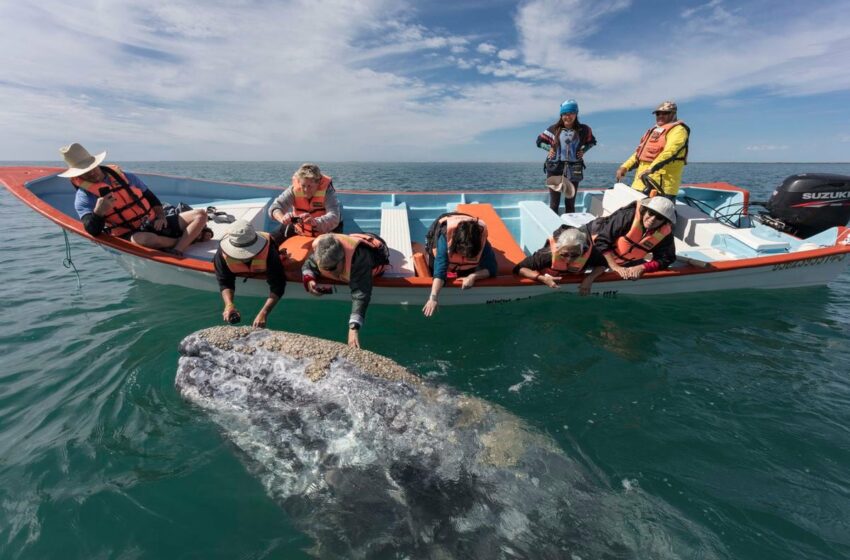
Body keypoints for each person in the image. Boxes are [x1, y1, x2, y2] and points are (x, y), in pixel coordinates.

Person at [60, 143, 209, 255]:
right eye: (85, 172)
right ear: (78, 175)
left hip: (153, 222)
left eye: (92, 167)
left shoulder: (126, 177)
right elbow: (92, 230)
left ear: (97, 163)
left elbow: (150, 197)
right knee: (144, 240)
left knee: (200, 214)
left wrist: (161, 216)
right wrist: (98, 213)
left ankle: (178, 248)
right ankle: (189, 240)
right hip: (132, 232)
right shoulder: (83, 197)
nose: (91, 174)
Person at [301, 232, 389, 348]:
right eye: (324, 268)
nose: (329, 272)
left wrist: (353, 329)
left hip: (376, 245)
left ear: (343, 259)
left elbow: (361, 294)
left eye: (332, 268)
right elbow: (308, 265)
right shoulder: (321, 254)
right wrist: (310, 280)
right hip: (351, 238)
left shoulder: (360, 258)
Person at [422, 213, 498, 317]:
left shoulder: (481, 241)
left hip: (468, 225)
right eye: (463, 253)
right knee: (433, 268)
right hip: (443, 225)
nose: (465, 257)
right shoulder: (445, 237)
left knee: (467, 273)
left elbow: (492, 268)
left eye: (469, 256)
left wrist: (473, 276)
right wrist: (433, 298)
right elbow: (440, 270)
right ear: (456, 246)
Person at [214, 220, 286, 328]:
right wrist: (229, 305)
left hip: (273, 239)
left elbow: (278, 285)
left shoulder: (269, 252)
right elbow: (224, 281)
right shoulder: (221, 254)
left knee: (286, 228)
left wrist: (264, 313)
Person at [615, 101, 690, 199]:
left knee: (654, 213)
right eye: (658, 113)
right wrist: (625, 167)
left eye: (665, 113)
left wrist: (651, 168)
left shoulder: (679, 130)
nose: (660, 116)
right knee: (633, 212)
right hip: (640, 183)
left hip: (661, 187)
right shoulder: (655, 131)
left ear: (673, 114)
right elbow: (639, 153)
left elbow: (670, 151)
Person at [589, 196, 677, 280]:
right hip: (592, 245)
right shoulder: (627, 216)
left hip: (621, 260)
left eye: (659, 217)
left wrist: (643, 267)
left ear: (665, 222)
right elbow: (601, 241)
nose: (653, 219)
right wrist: (615, 267)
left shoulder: (664, 233)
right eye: (651, 213)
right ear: (645, 211)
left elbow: (667, 258)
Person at [536, 99, 597, 214]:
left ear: (576, 114)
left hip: (574, 170)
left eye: (570, 113)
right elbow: (539, 141)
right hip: (554, 168)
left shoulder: (584, 130)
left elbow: (592, 142)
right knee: (554, 203)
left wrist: (584, 151)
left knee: (570, 203)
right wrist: (549, 149)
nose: (567, 117)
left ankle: (569, 228)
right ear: (561, 115)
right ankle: (554, 229)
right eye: (564, 114)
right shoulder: (553, 129)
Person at [513, 226, 607, 295]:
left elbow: (602, 265)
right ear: (558, 249)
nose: (569, 259)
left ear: (582, 250)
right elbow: (519, 268)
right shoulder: (546, 255)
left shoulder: (591, 252)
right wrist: (542, 278)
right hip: (548, 276)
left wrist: (589, 279)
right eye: (564, 254)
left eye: (575, 255)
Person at [268, 162, 342, 243]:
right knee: (269, 241)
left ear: (318, 183)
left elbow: (334, 217)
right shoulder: (293, 190)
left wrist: (315, 222)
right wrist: (282, 218)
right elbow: (275, 207)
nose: (306, 190)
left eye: (310, 186)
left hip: (325, 229)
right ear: (299, 182)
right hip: (299, 225)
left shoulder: (328, 191)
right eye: (303, 186)